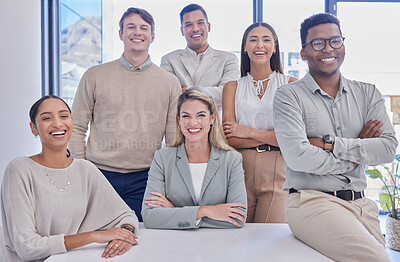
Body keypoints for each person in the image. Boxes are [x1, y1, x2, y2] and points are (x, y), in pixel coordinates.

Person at [273, 13, 397, 261]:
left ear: (343, 45)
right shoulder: (288, 97)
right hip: (311, 201)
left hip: (361, 204)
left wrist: (330, 144)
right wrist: (357, 153)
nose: (328, 48)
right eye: (318, 43)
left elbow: (387, 149)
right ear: (304, 52)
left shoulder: (368, 93)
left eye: (335, 41)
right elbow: (299, 157)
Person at [69, 7, 181, 221]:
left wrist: (166, 178)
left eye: (143, 28)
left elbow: (173, 137)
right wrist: (81, 169)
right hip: (99, 174)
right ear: (121, 34)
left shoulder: (169, 82)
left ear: (152, 36)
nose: (137, 32)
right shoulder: (94, 76)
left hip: (146, 177)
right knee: (97, 239)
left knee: (143, 240)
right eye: (131, 27)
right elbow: (77, 126)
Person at [1, 96, 140, 262]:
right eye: (46, 118)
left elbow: (126, 215)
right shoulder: (19, 170)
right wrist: (95, 236)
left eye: (64, 116)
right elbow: (27, 247)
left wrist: (124, 235)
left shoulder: (85, 169)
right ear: (34, 128)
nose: (58, 123)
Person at [222, 22, 297, 223]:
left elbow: (292, 139)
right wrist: (273, 137)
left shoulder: (291, 85)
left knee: (269, 238)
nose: (259, 45)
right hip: (239, 170)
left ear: (274, 47)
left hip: (277, 169)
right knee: (238, 238)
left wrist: (246, 131)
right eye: (253, 40)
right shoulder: (232, 87)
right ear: (245, 48)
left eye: (266, 40)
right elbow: (229, 139)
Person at [141, 88, 247, 229]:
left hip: (219, 243)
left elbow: (237, 217)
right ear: (179, 120)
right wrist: (206, 211)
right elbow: (150, 217)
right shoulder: (162, 158)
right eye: (186, 116)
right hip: (172, 244)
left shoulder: (232, 160)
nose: (193, 122)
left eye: (201, 115)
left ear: (212, 118)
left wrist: (173, 212)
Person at [160, 3, 239, 117]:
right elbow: (169, 97)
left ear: (209, 26)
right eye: (188, 25)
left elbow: (228, 95)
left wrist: (186, 90)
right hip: (182, 129)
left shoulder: (228, 59)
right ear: (182, 31)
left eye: (200, 23)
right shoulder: (169, 60)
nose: (195, 29)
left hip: (217, 128)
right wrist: (213, 92)